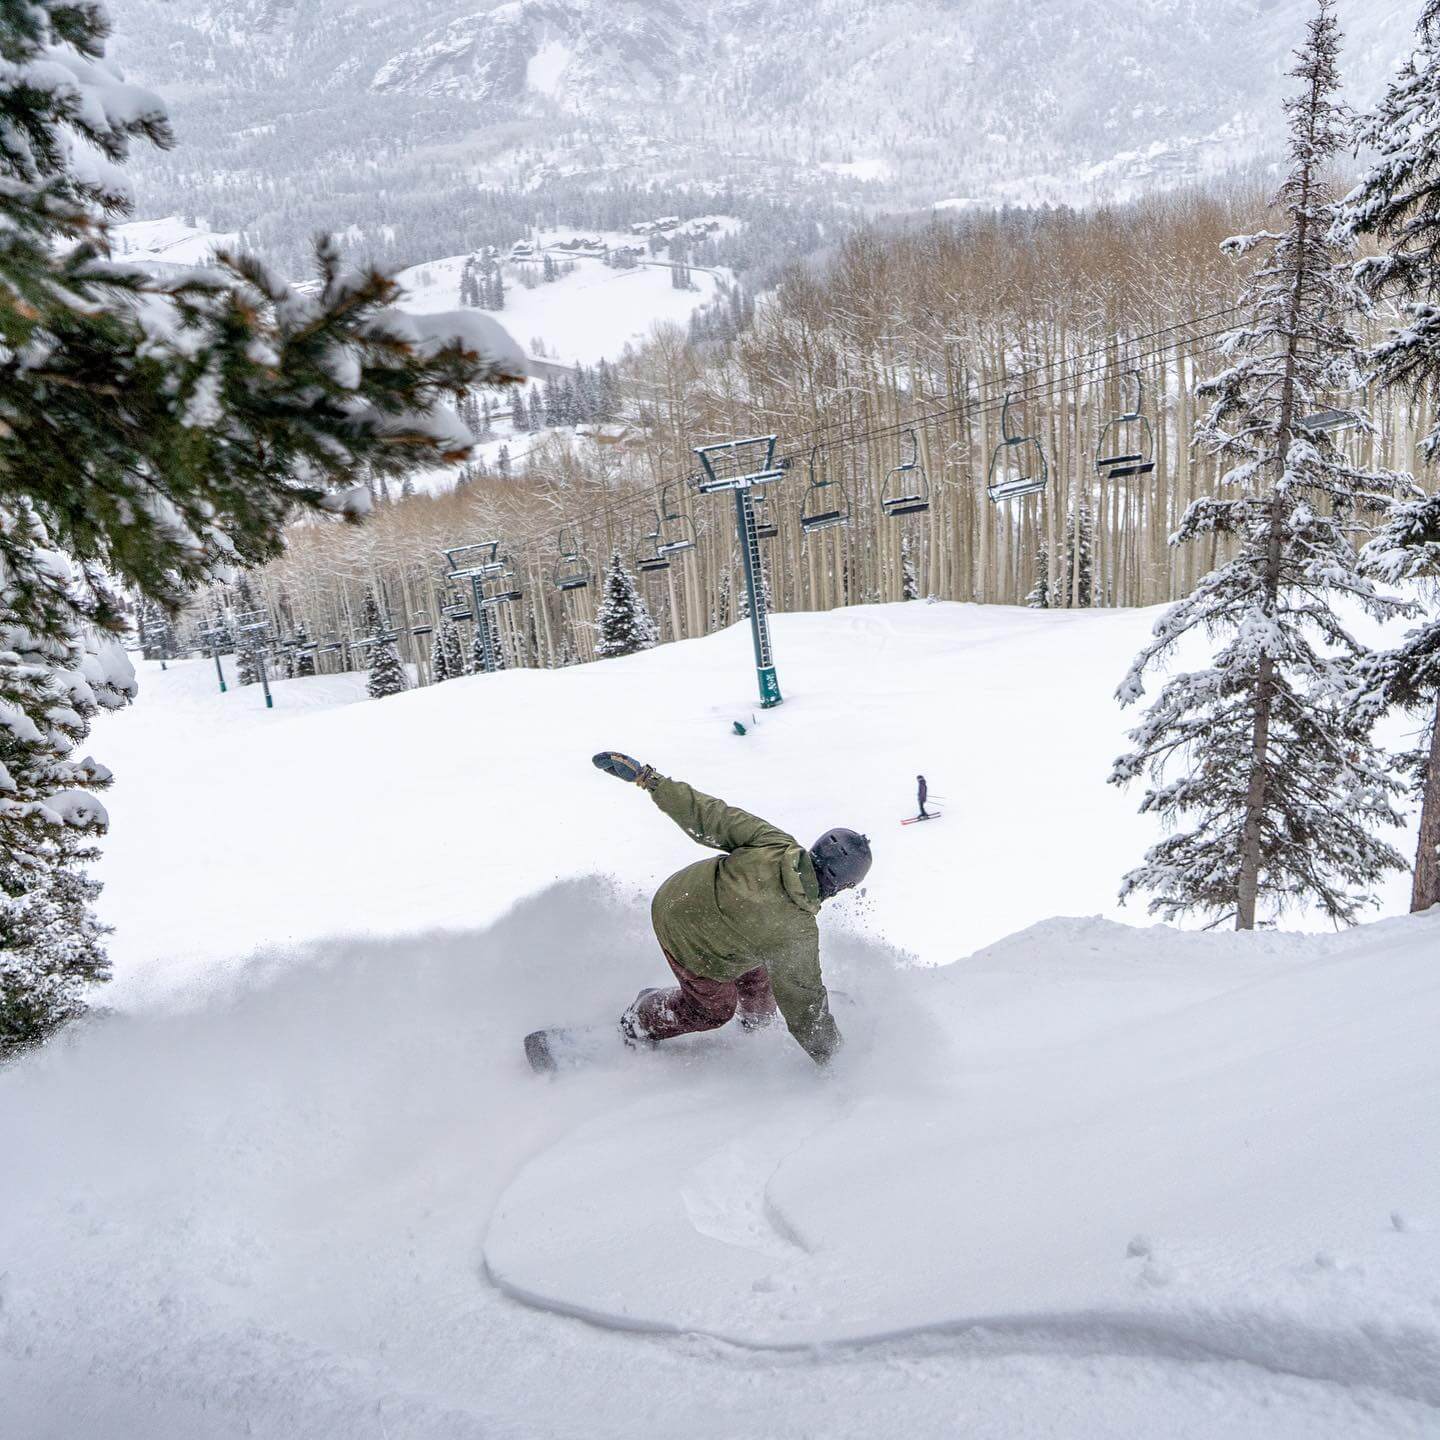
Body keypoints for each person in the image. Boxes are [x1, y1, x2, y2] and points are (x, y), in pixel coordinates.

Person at [591, 752, 872, 1064]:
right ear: (841, 885)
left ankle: (756, 1024)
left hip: (679, 893)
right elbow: (804, 1005)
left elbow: (710, 816)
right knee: (712, 1010)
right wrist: (837, 1061)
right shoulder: (796, 931)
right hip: (685, 932)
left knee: (762, 971)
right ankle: (638, 1021)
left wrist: (649, 779)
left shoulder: (776, 844)